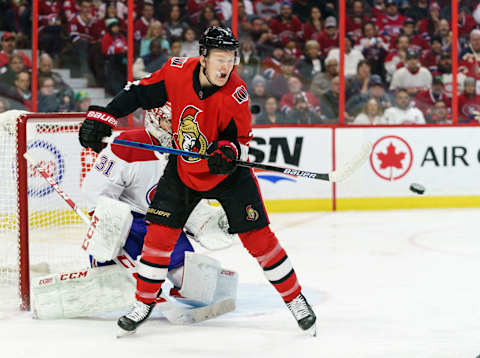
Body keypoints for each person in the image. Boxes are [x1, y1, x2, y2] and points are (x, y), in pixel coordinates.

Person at [78, 25, 316, 336]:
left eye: (231, 59)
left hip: (228, 173)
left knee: (260, 240)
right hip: (184, 169)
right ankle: (143, 302)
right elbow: (139, 92)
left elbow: (242, 139)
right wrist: (105, 116)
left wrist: (227, 150)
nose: (225, 66)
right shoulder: (177, 71)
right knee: (157, 239)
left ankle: (295, 298)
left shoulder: (236, 93)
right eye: (219, 58)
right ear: (202, 57)